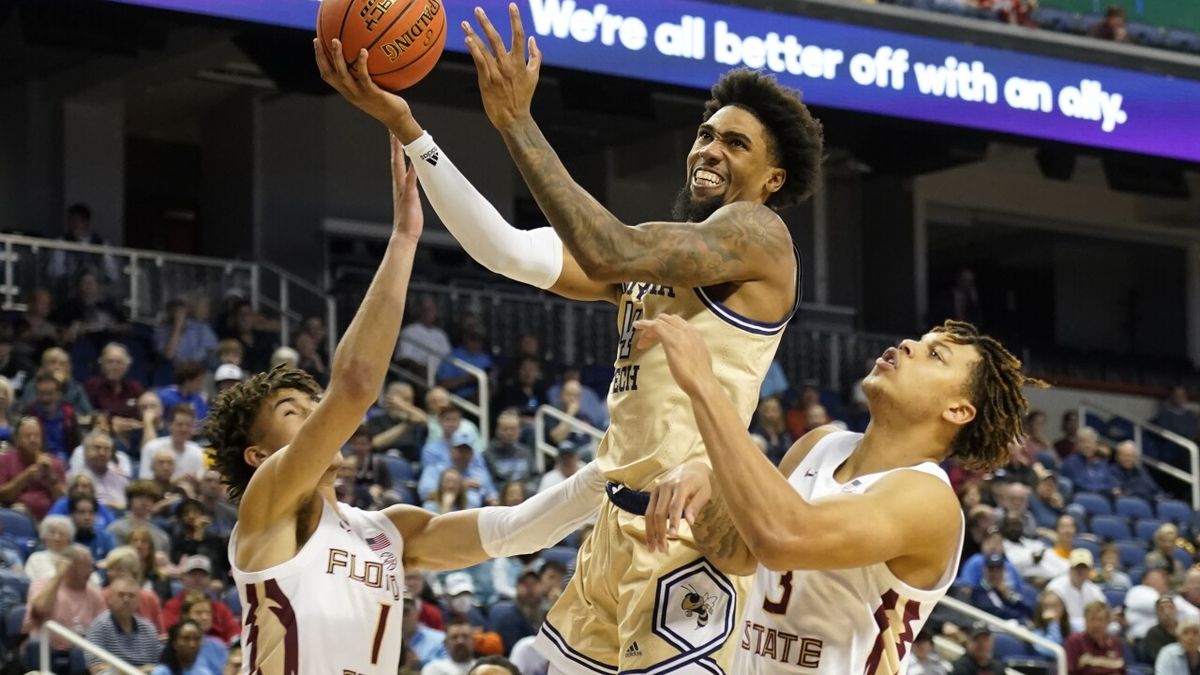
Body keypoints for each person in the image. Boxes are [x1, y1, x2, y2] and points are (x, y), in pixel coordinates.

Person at [320, 8, 819, 665]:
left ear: (772, 179)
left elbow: (608, 248)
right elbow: (506, 250)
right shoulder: (656, 257)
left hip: (687, 535)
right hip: (613, 525)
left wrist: (516, 122)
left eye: (736, 143)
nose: (709, 150)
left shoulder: (760, 235)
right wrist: (410, 130)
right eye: (706, 134)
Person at [205, 136, 608, 673]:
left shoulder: (388, 531)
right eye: (293, 412)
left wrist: (611, 473)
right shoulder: (270, 504)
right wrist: (403, 239)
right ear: (258, 455)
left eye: (312, 402)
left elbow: (516, 531)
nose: (316, 415)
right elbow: (353, 386)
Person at [640, 315, 1040, 672]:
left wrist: (705, 386)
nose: (909, 345)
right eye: (919, 339)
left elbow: (782, 537)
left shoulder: (928, 497)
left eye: (936, 355)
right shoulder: (820, 443)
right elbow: (743, 554)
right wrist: (707, 485)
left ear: (957, 410)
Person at [23, 545, 108, 669]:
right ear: (70, 567)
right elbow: (40, 610)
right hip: (48, 649)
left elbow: (105, 628)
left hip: (81, 652)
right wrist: (58, 576)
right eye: (87, 566)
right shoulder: (42, 584)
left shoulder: (94, 593)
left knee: (82, 652)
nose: (91, 571)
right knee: (37, 646)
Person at [85, 575, 164, 672]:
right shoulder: (99, 626)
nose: (126, 600)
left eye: (131, 596)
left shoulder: (148, 628)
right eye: (121, 595)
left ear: (138, 601)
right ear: (110, 599)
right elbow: (97, 669)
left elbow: (160, 667)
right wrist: (138, 671)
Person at [0, 416, 67, 520]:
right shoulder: (5, 460)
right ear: (16, 440)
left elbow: (63, 501)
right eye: (27, 436)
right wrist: (26, 477)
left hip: (49, 519)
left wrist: (51, 478)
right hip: (15, 518)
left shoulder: (54, 463)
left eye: (37, 436)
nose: (33, 440)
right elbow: (3, 496)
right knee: (19, 510)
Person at [139, 404, 206, 481]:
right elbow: (145, 482)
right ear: (170, 425)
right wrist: (178, 480)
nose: (184, 429)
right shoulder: (151, 447)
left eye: (188, 425)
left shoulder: (199, 452)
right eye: (179, 424)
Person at [1047, 549, 1108, 632]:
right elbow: (1053, 618)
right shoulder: (1056, 587)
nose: (1080, 572)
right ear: (1070, 569)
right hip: (1062, 632)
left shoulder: (1094, 590)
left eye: (1084, 568)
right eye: (1077, 567)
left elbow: (1103, 613)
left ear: (1090, 570)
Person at [69, 430, 130, 511]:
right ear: (85, 451)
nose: (102, 453)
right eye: (97, 448)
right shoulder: (76, 478)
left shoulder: (121, 478)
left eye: (107, 449)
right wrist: (107, 506)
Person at [367, 381, 428, 462]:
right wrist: (405, 425)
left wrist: (402, 405)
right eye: (405, 399)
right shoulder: (377, 418)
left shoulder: (416, 419)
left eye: (410, 400)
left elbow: (425, 419)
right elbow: (376, 443)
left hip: (410, 463)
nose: (409, 404)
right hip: (380, 462)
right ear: (390, 400)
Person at [107, 481, 172, 554]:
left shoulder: (161, 536)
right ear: (130, 500)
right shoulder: (117, 529)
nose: (145, 501)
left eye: (149, 498)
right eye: (140, 496)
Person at [84, 343, 145, 419]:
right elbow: (86, 416)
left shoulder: (135, 387)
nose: (114, 367)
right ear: (102, 364)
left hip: (134, 429)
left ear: (127, 366)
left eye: (119, 362)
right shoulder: (92, 386)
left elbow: (146, 413)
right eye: (109, 362)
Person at [157, 295, 220, 367]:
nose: (179, 312)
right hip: (176, 372)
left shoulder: (201, 327)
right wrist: (177, 327)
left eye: (181, 308)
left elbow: (212, 349)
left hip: (201, 369)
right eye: (175, 309)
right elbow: (169, 355)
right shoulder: (162, 331)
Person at [1064, 601, 1125, 674]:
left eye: (1100, 620)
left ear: (1107, 622)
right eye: (1092, 619)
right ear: (1085, 621)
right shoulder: (1075, 641)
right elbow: (1071, 671)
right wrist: (1110, 664)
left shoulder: (1114, 641)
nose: (1096, 625)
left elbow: (1120, 666)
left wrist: (1092, 661)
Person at [970, 553, 1031, 621]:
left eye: (999, 570)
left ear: (1004, 570)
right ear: (985, 570)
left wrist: (1008, 595)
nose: (995, 574)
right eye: (992, 570)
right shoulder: (979, 591)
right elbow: (995, 612)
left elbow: (1028, 610)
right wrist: (1021, 616)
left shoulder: (1007, 590)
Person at [182, 592, 231, 674]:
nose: (205, 617)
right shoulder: (177, 646)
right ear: (186, 616)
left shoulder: (218, 646)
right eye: (198, 613)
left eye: (208, 613)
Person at [1061, 427, 1117, 496]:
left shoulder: (1102, 464)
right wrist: (1104, 491)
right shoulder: (1070, 463)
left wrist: (1113, 490)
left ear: (1096, 445)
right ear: (1077, 445)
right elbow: (1080, 487)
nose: (1087, 445)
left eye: (1090, 442)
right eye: (1083, 442)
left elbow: (1112, 484)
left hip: (1103, 500)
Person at [27, 515, 76, 582]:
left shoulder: (77, 558)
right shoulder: (36, 558)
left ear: (69, 539)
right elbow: (29, 583)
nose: (57, 538)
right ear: (45, 537)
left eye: (62, 534)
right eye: (52, 533)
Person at [70, 494, 115, 562]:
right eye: (82, 512)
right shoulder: (63, 539)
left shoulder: (105, 538)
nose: (87, 517)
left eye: (91, 512)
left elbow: (115, 563)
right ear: (72, 515)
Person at [1030, 591, 1071, 658]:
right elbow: (1052, 651)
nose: (1052, 610)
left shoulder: (1073, 627)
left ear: (1063, 608)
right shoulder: (1036, 634)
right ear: (1040, 610)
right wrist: (1053, 623)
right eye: (1046, 607)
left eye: (1056, 605)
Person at [1142, 594, 1180, 663]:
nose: (1166, 612)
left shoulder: (1185, 630)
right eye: (1161, 609)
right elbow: (1159, 658)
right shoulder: (1153, 633)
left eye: (1170, 607)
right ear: (1157, 613)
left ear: (1176, 610)